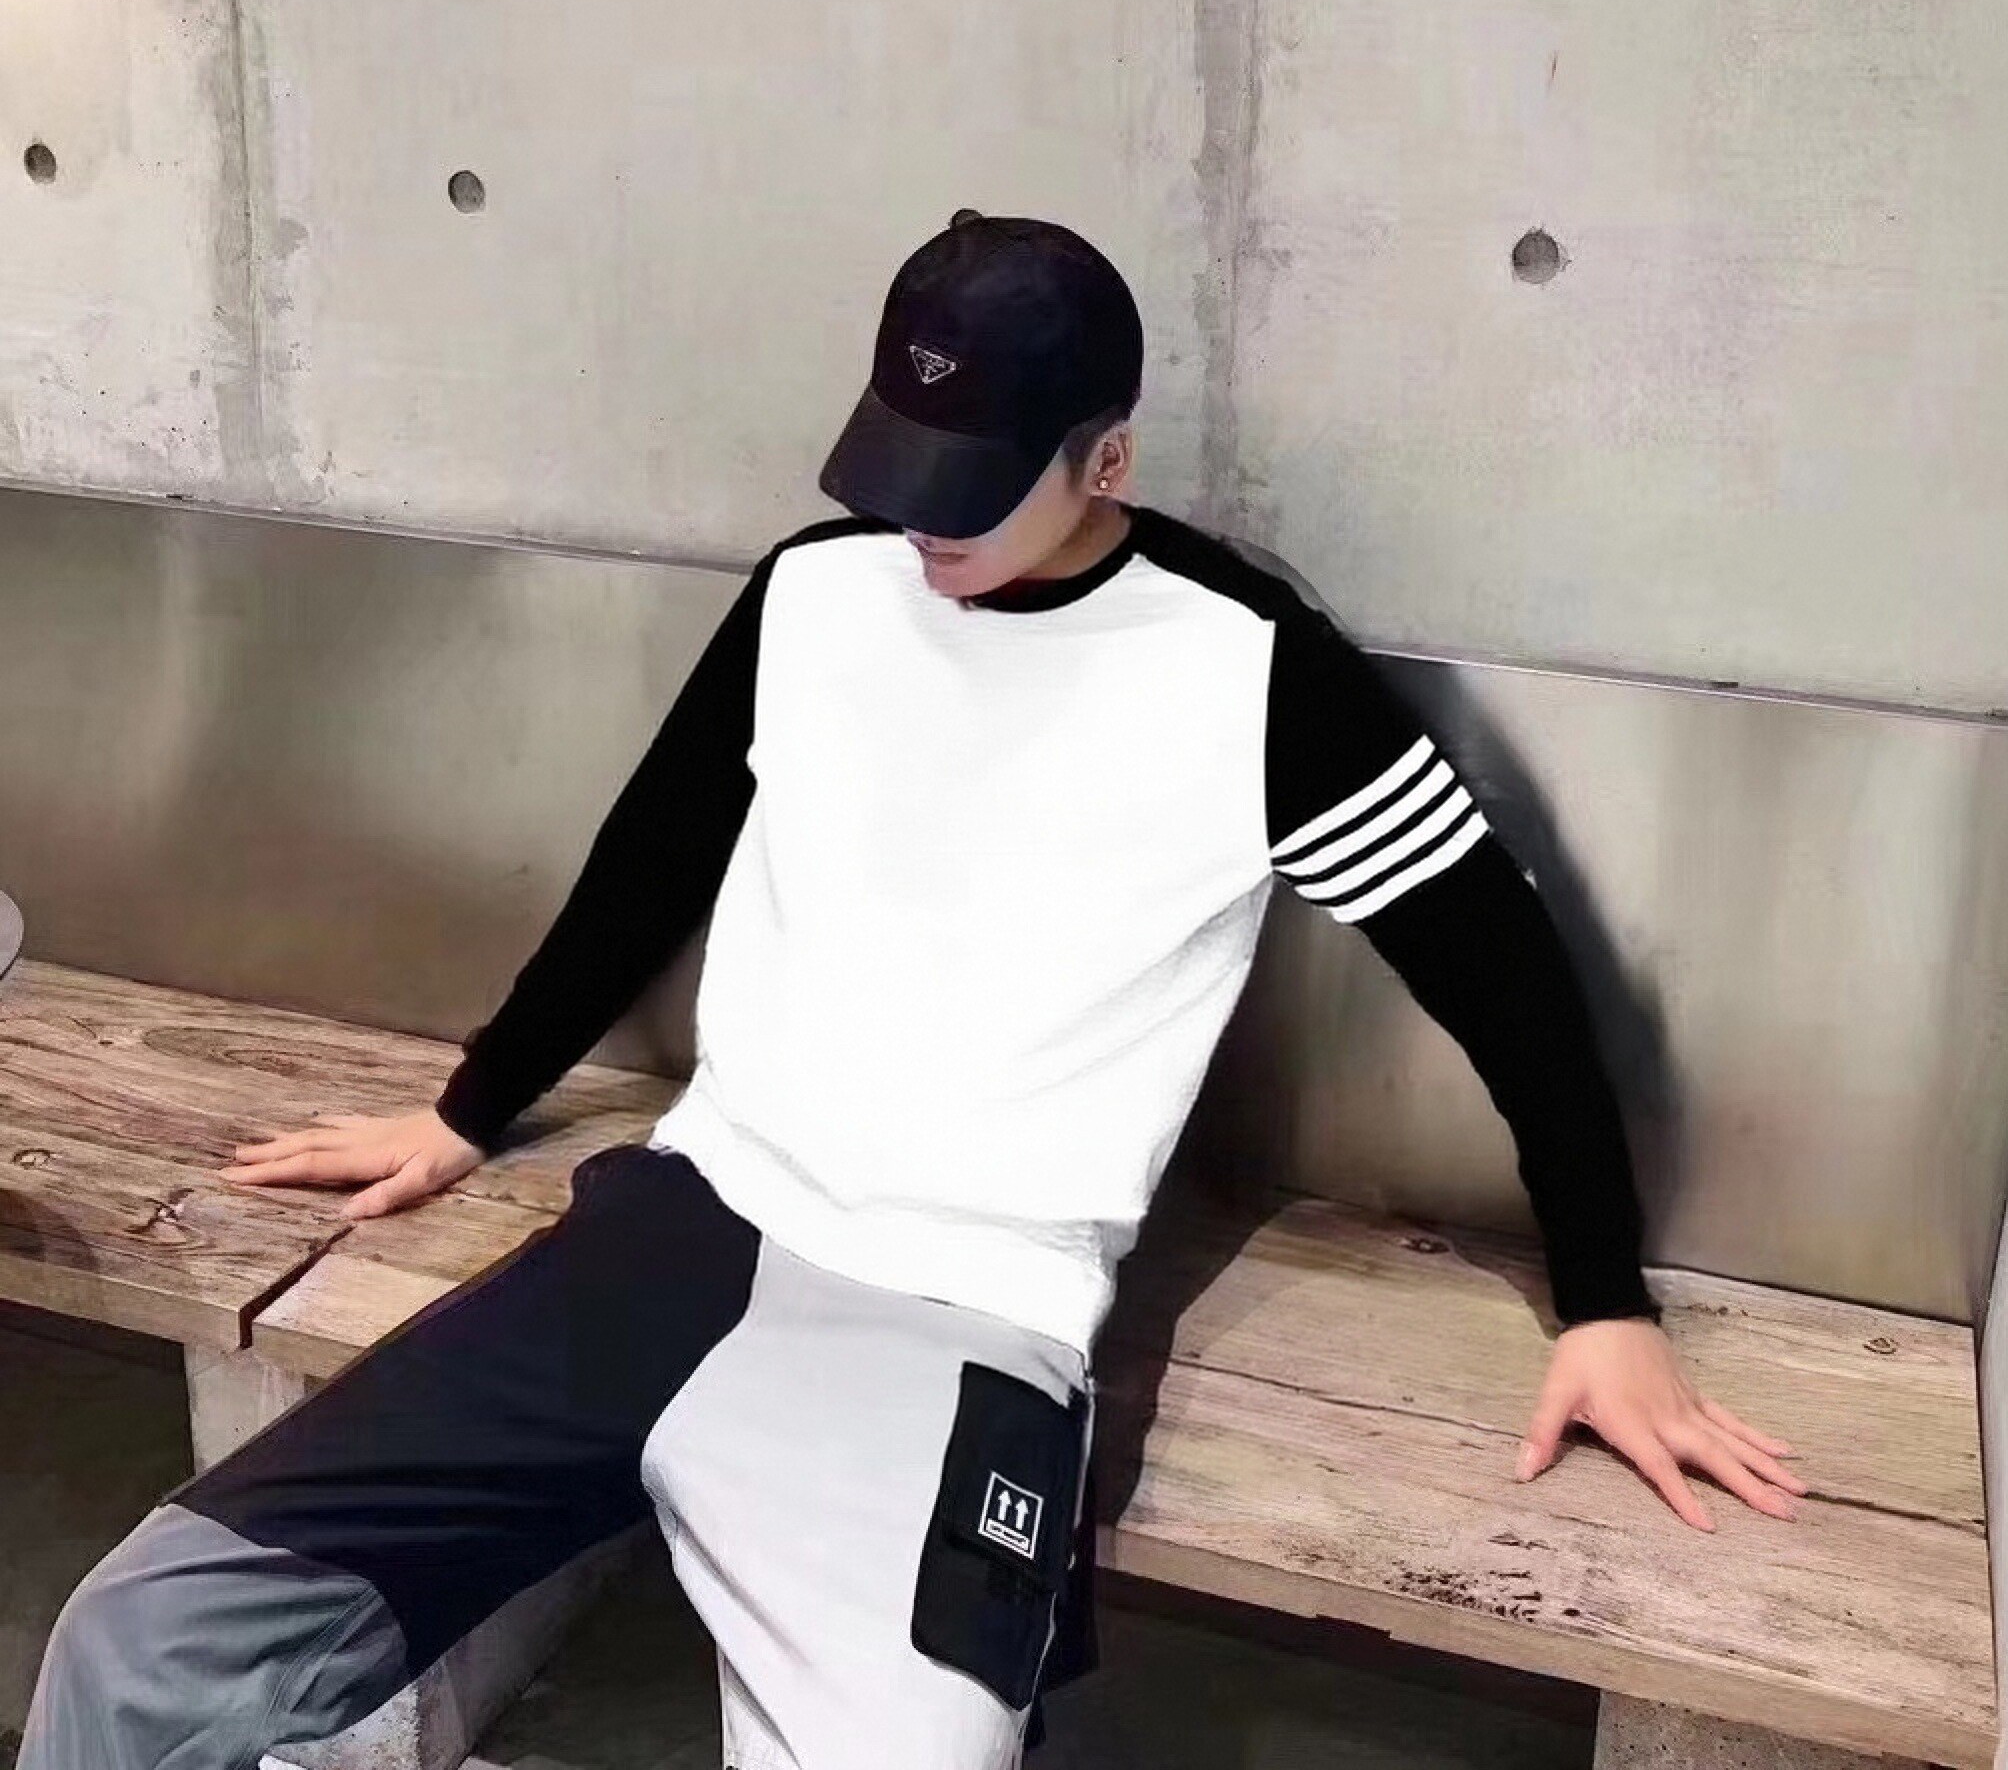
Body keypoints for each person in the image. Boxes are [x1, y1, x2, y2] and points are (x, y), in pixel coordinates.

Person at [21, 212, 1802, 1770]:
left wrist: (1604, 1303)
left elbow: (1508, 980)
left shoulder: (1255, 678)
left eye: (969, 487)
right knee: (142, 1640)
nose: (917, 526)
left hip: (962, 1310)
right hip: (676, 1228)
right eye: (895, 464)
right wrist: (468, 1108)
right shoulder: (817, 593)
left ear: (1106, 459)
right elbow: (651, 864)